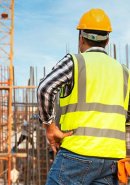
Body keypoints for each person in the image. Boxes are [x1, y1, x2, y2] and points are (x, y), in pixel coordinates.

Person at [37, 8, 130, 185]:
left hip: (77, 155)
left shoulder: (75, 62)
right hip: (113, 160)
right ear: (107, 40)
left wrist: (50, 127)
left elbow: (45, 89)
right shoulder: (124, 72)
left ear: (81, 38)